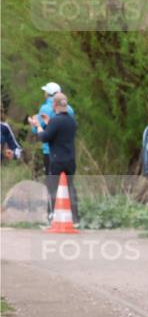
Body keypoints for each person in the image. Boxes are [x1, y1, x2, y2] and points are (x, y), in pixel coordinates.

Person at [29, 93, 79, 224]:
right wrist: (48, 123)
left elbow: (45, 137)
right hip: (70, 159)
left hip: (57, 160)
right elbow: (59, 132)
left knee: (53, 188)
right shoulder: (71, 120)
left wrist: (37, 125)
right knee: (70, 187)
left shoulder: (56, 120)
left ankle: (53, 216)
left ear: (54, 105)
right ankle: (75, 218)